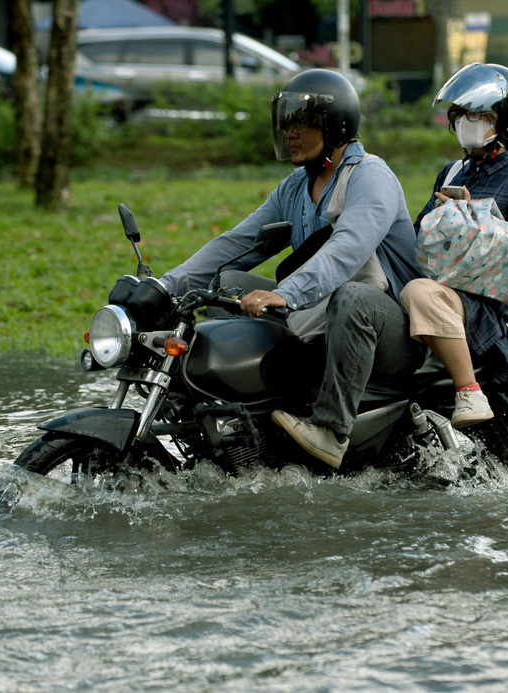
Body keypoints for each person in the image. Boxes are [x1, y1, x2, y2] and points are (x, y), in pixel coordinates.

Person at [157, 68, 425, 469]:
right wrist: (164, 287)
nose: (290, 133)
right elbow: (236, 245)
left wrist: (285, 294)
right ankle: (249, 410)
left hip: (391, 330)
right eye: (286, 123)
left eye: (301, 122)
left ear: (334, 126)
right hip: (324, 319)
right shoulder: (296, 187)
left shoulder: (371, 177)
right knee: (230, 282)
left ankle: (332, 431)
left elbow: (346, 251)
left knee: (354, 297)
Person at [400, 63, 508, 429]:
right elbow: (419, 237)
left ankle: (469, 391)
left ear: (505, 122)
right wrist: (443, 217)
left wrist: (472, 220)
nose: (467, 121)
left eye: (479, 114)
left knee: (419, 292)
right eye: (462, 114)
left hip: (480, 308)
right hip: (440, 292)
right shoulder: (451, 173)